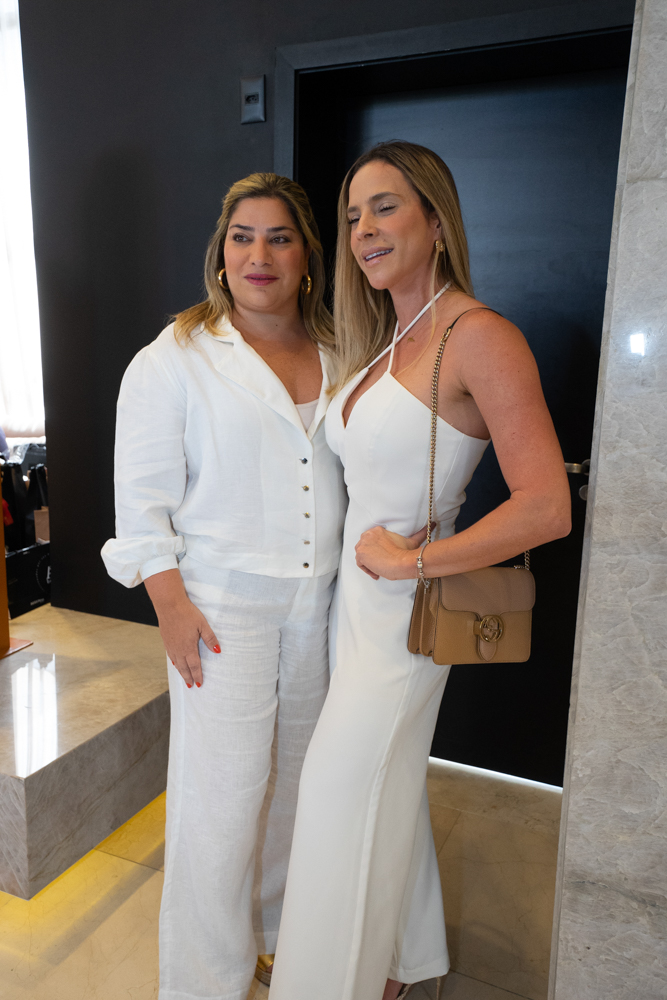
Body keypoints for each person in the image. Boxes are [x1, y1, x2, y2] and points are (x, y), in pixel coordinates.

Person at [269, 141, 571, 1000]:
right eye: (352, 215)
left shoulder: (480, 337)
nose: (363, 229)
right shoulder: (386, 338)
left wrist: (413, 561)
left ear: (435, 221)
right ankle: (404, 964)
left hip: (403, 625)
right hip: (351, 615)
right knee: (383, 789)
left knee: (336, 804)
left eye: (385, 207)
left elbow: (546, 506)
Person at [101, 173, 347, 1000]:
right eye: (242, 236)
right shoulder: (175, 355)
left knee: (297, 786)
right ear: (220, 251)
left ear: (306, 254)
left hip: (321, 606)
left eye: (279, 236)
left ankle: (273, 938)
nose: (258, 254)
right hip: (219, 609)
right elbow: (141, 499)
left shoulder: (342, 351)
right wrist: (169, 603)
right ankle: (205, 981)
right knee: (221, 802)